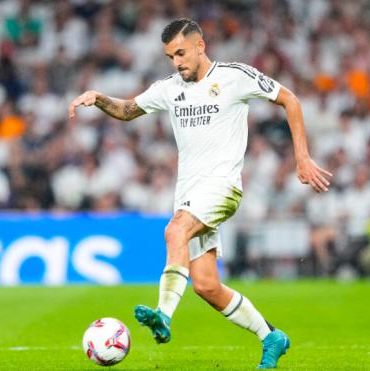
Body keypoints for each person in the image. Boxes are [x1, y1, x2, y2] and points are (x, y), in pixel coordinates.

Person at [69, 18, 332, 369]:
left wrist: (302, 157)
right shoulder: (169, 87)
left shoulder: (234, 76)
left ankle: (163, 314)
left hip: (223, 187)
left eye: (181, 53)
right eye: (170, 56)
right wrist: (99, 98)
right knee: (206, 285)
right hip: (189, 193)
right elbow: (129, 110)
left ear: (200, 46)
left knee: (174, 229)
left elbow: (290, 99)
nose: (177, 62)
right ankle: (271, 336)